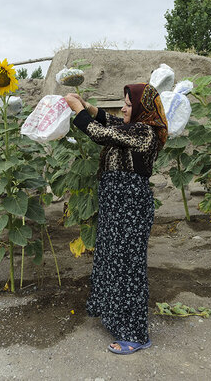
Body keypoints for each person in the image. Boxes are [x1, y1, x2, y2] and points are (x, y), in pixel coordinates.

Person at [64, 83, 167, 355]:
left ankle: (135, 335)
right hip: (116, 206)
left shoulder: (146, 132)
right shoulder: (131, 127)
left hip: (131, 208)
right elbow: (108, 120)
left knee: (127, 268)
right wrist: (86, 106)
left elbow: (100, 133)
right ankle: (113, 317)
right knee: (112, 259)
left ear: (143, 109)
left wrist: (78, 112)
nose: (123, 108)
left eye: (129, 104)